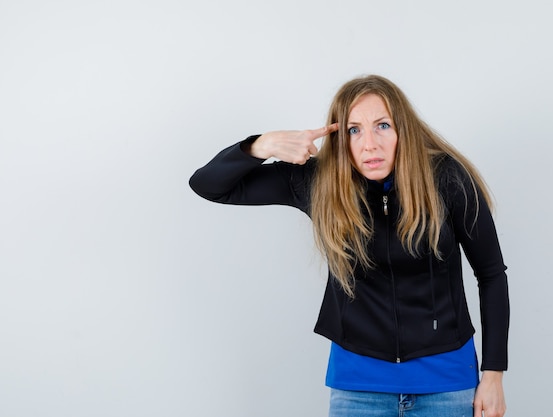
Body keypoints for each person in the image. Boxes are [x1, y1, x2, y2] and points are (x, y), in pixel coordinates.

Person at [189, 75, 509, 417]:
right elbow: (208, 185)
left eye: (382, 125)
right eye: (354, 130)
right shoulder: (318, 182)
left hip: (446, 383)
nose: (369, 143)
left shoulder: (447, 179)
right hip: (358, 388)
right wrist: (262, 145)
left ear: (404, 129)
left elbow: (490, 275)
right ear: (340, 138)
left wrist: (492, 376)